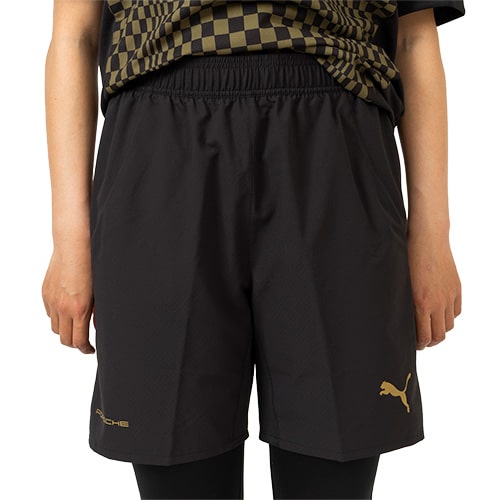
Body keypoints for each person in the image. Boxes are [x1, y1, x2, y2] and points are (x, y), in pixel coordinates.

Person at [41, 1, 464, 499]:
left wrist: (433, 235)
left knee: (333, 478)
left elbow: (414, 37)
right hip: (160, 146)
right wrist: (69, 240)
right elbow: (74, 34)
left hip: (333, 142)